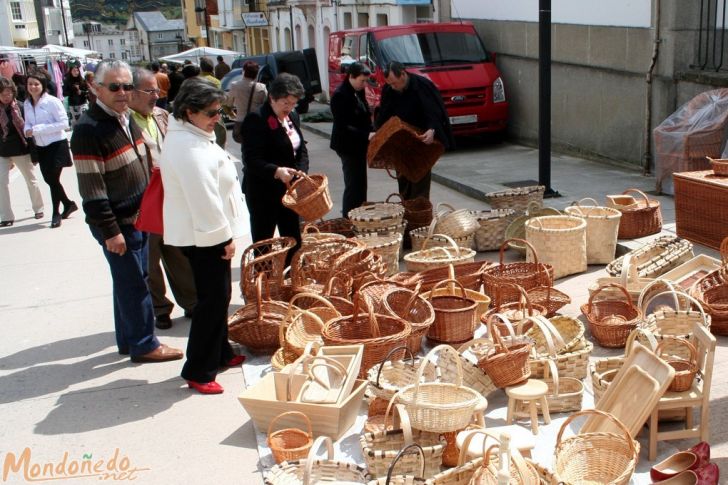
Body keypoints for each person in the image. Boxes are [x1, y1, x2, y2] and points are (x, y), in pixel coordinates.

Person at [70, 60, 183, 364]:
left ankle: (128, 340)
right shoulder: (88, 130)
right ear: (96, 88)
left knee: (130, 281)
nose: (122, 93)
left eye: (127, 86)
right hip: (119, 222)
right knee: (135, 284)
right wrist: (111, 232)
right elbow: (92, 190)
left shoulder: (123, 117)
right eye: (115, 87)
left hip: (137, 217)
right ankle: (144, 344)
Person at [159, 77, 246, 394]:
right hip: (203, 236)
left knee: (219, 296)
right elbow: (204, 199)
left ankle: (219, 352)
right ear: (189, 111)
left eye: (219, 111)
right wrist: (223, 239)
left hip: (203, 233)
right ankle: (198, 368)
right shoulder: (188, 146)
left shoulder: (193, 135)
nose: (217, 118)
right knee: (211, 301)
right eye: (211, 112)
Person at [129, 67, 197, 330]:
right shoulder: (125, 121)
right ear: (133, 93)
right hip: (145, 198)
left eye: (157, 90)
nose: (156, 95)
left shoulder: (162, 115)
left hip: (171, 194)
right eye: (149, 90)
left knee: (178, 251)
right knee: (151, 257)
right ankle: (160, 308)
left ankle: (191, 302)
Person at [241, 73, 308, 261]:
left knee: (293, 238)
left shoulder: (292, 116)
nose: (289, 107)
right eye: (285, 103)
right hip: (263, 192)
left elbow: (301, 148)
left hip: (288, 191)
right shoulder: (256, 119)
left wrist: (302, 171)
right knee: (264, 244)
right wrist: (276, 171)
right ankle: (265, 284)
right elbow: (252, 159)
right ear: (272, 97)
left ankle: (292, 279)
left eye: (293, 103)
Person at [375, 60, 454, 200]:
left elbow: (434, 112)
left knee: (420, 183)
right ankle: (407, 214)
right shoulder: (389, 90)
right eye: (390, 84)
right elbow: (384, 115)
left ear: (403, 74)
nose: (393, 87)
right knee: (404, 183)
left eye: (395, 83)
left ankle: (420, 216)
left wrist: (432, 130)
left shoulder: (422, 86)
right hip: (401, 144)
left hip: (420, 142)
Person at [24, 69, 77, 229]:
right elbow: (28, 122)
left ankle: (56, 213)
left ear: (43, 85)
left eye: (36, 84)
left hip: (56, 145)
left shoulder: (52, 101)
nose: (33, 87)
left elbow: (64, 123)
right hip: (40, 147)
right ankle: (68, 204)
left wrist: (39, 129)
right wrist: (27, 129)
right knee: (49, 180)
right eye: (30, 84)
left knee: (53, 180)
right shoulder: (27, 103)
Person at [330, 62, 374, 217]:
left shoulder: (357, 91)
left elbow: (363, 114)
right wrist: (366, 135)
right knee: (353, 184)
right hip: (347, 145)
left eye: (366, 81)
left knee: (361, 184)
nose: (364, 84)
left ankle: (359, 213)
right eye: (362, 80)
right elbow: (344, 126)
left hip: (359, 144)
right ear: (351, 77)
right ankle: (348, 217)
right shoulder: (341, 95)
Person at [0, 77, 44, 226]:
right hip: (3, 151)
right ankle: (6, 216)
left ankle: (38, 208)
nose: (7, 97)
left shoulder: (21, 107)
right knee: (1, 183)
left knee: (31, 180)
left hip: (21, 149)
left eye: (9, 93)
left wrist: (34, 153)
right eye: (3, 94)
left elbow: (29, 130)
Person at [227, 61, 267, 145]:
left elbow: (228, 104)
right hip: (257, 122)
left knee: (245, 146)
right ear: (256, 73)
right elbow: (266, 106)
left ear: (244, 71)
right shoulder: (262, 87)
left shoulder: (235, 85)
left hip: (241, 121)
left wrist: (233, 115)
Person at [62, 61, 89, 127]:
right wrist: (73, 91)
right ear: (70, 71)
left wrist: (81, 92)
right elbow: (64, 93)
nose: (76, 72)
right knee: (77, 123)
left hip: (83, 103)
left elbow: (87, 91)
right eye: (74, 71)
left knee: (86, 121)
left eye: (77, 70)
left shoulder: (82, 80)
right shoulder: (67, 81)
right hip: (73, 105)